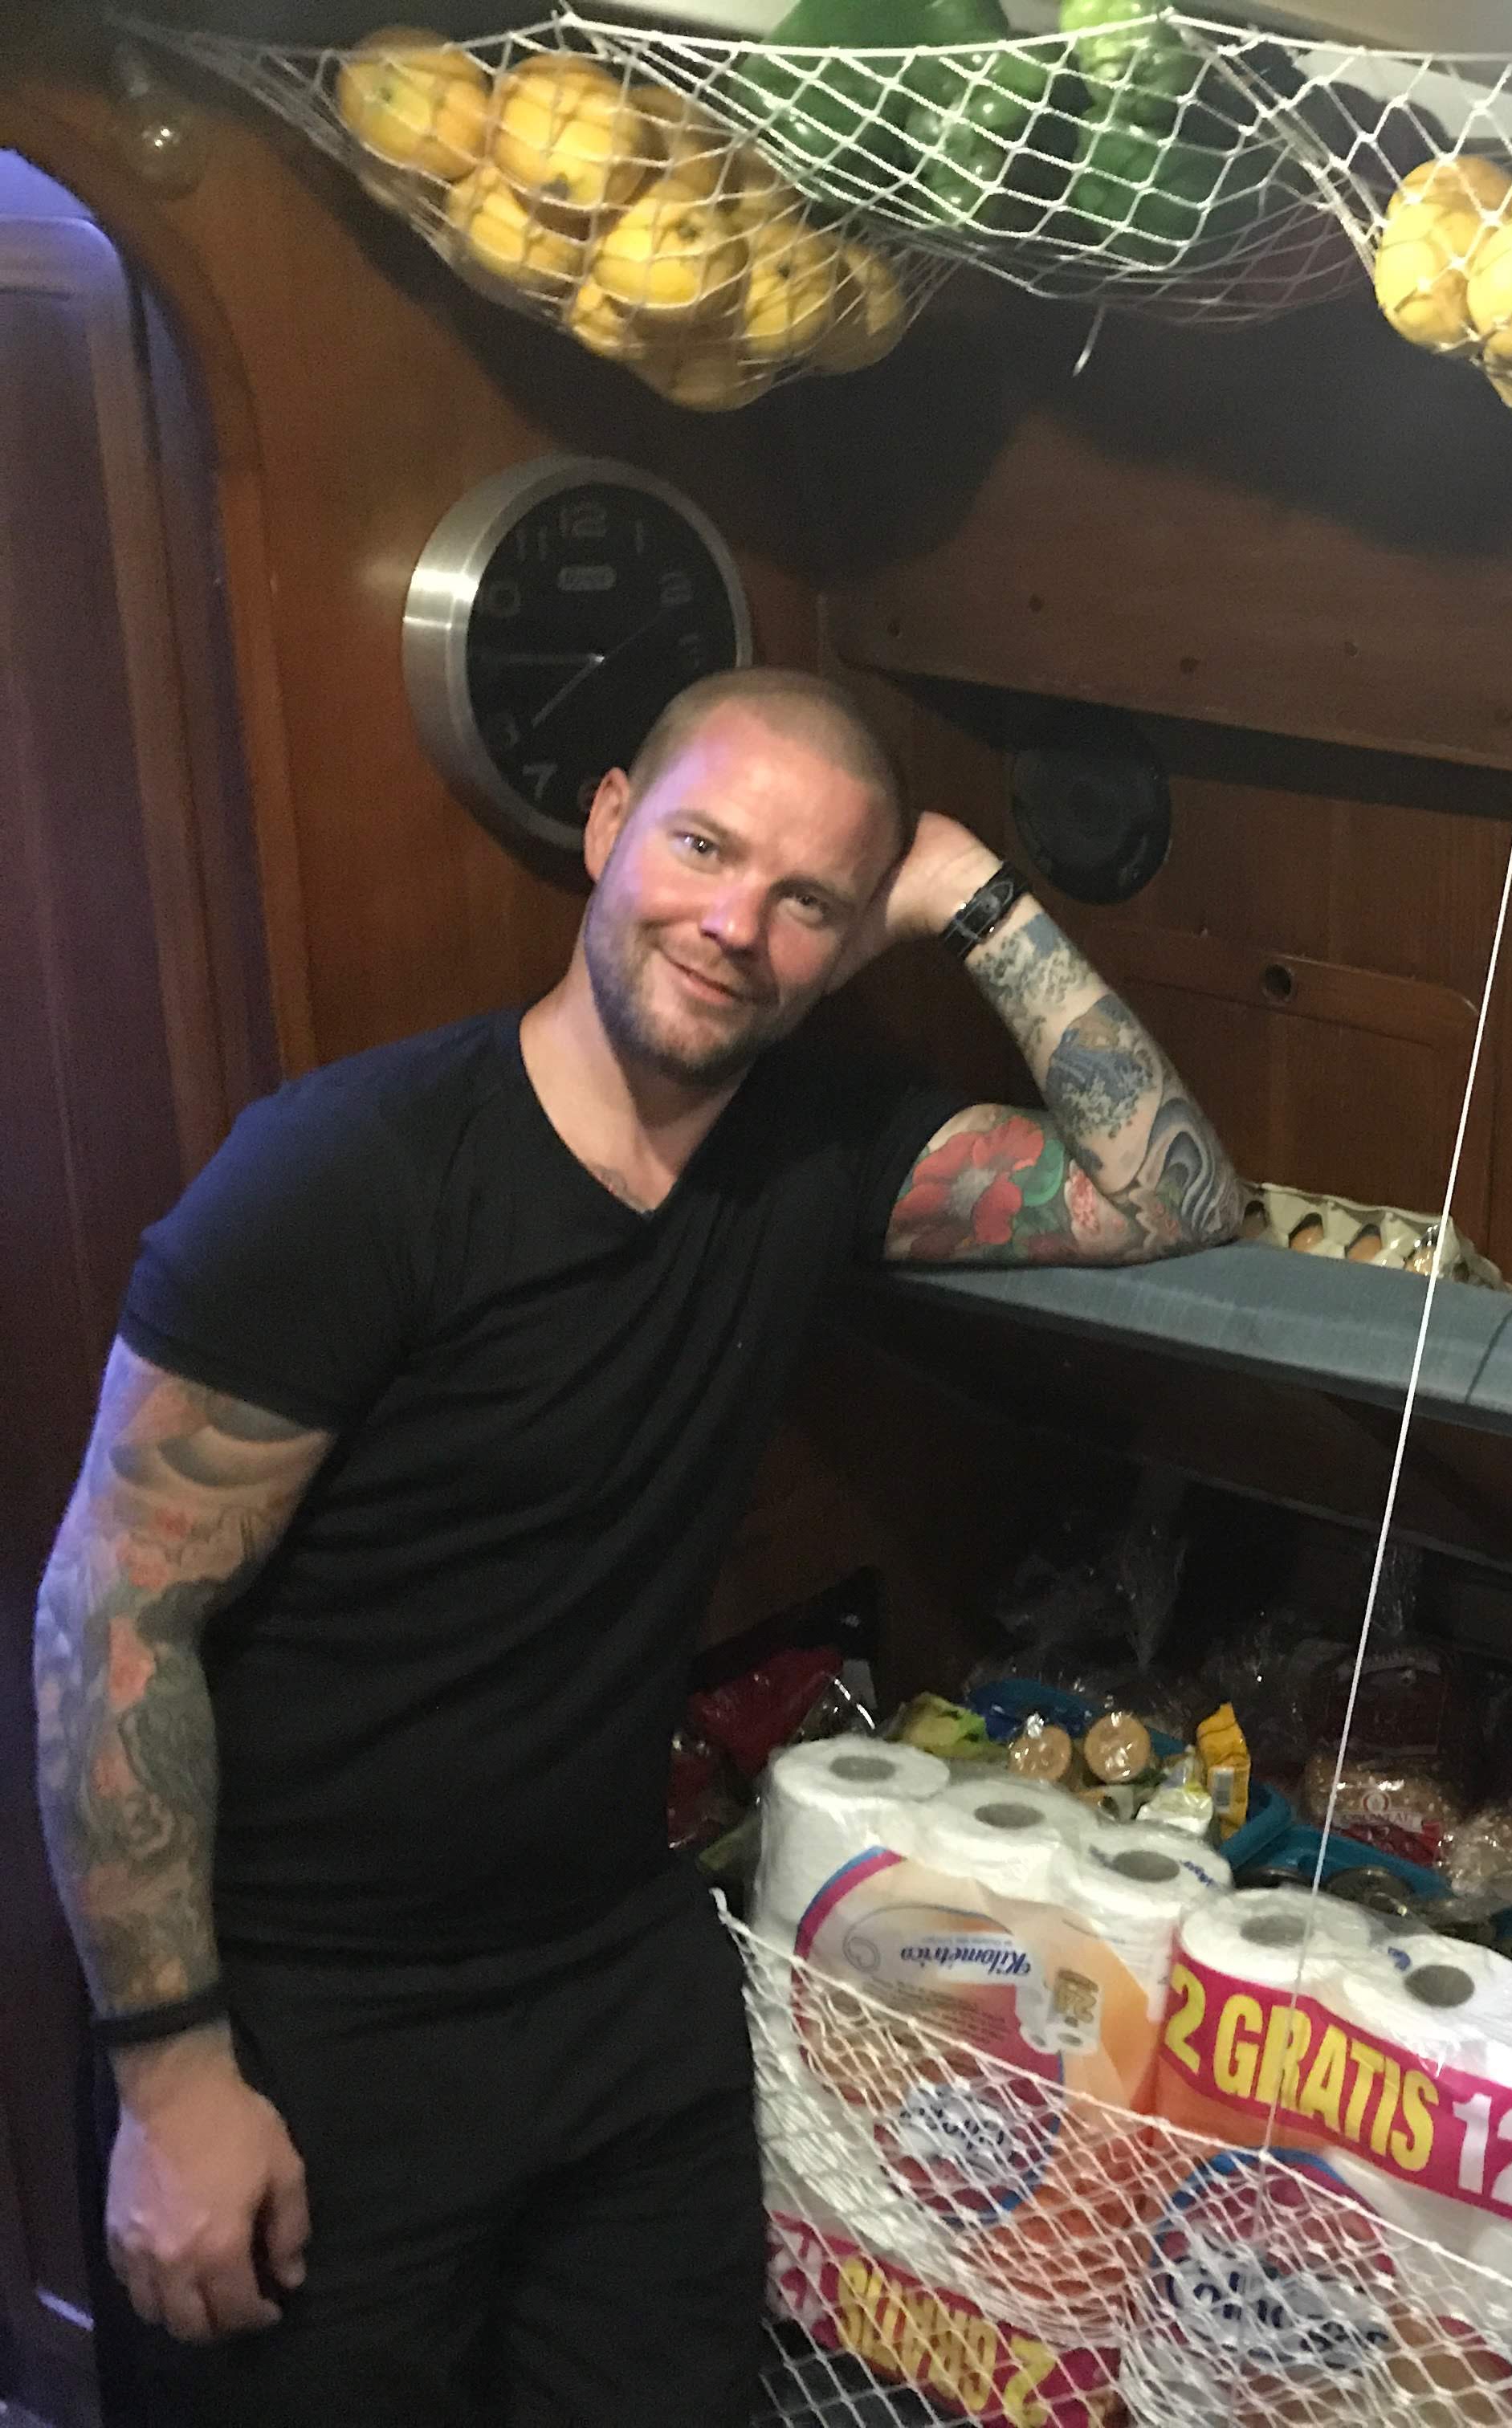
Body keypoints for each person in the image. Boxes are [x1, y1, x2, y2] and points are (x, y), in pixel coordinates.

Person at [30, 667, 1241, 2424]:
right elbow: (110, 1626)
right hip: (310, 2011)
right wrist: (170, 2077)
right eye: (703, 847)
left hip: (616, 1975)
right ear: (607, 826)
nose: (735, 924)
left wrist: (973, 889)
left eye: (809, 897)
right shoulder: (348, 1174)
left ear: (851, 942)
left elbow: (1168, 1194)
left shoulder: (825, 1147)